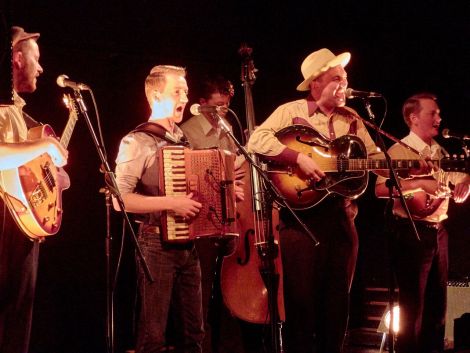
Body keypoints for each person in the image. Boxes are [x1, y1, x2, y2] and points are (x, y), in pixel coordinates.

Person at [247, 48, 383, 353]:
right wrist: (298, 158)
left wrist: (409, 167)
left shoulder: (353, 119)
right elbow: (256, 140)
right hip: (300, 221)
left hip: (340, 217)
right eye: (337, 78)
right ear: (315, 84)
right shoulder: (290, 110)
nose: (344, 84)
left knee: (337, 305)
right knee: (301, 305)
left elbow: (375, 157)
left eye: (345, 78)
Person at [114, 65, 213, 352]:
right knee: (153, 336)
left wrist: (223, 195)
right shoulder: (137, 141)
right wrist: (172, 203)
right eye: (177, 91)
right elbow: (121, 200)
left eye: (186, 90)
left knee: (194, 335)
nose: (185, 96)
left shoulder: (183, 139)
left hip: (189, 245)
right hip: (155, 244)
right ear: (157, 97)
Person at [375, 93, 470, 353]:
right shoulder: (398, 150)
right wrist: (417, 184)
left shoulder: (439, 151)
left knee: (437, 307)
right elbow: (380, 189)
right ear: (414, 118)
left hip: (438, 231)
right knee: (412, 309)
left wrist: (465, 183)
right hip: (410, 232)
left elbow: (460, 176)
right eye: (433, 113)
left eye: (439, 113)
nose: (439, 118)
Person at [0, 26, 68, 353]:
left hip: (19, 223)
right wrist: (42, 146)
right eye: (34, 59)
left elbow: (24, 169)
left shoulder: (16, 110)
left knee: (16, 326)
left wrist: (52, 174)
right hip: (4, 225)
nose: (40, 68)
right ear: (15, 58)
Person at [181, 75, 255, 353]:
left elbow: (236, 167)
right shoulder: (187, 131)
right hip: (202, 218)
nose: (223, 111)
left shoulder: (228, 127)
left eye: (226, 106)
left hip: (229, 216)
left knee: (226, 289)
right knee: (201, 290)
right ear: (201, 105)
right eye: (217, 106)